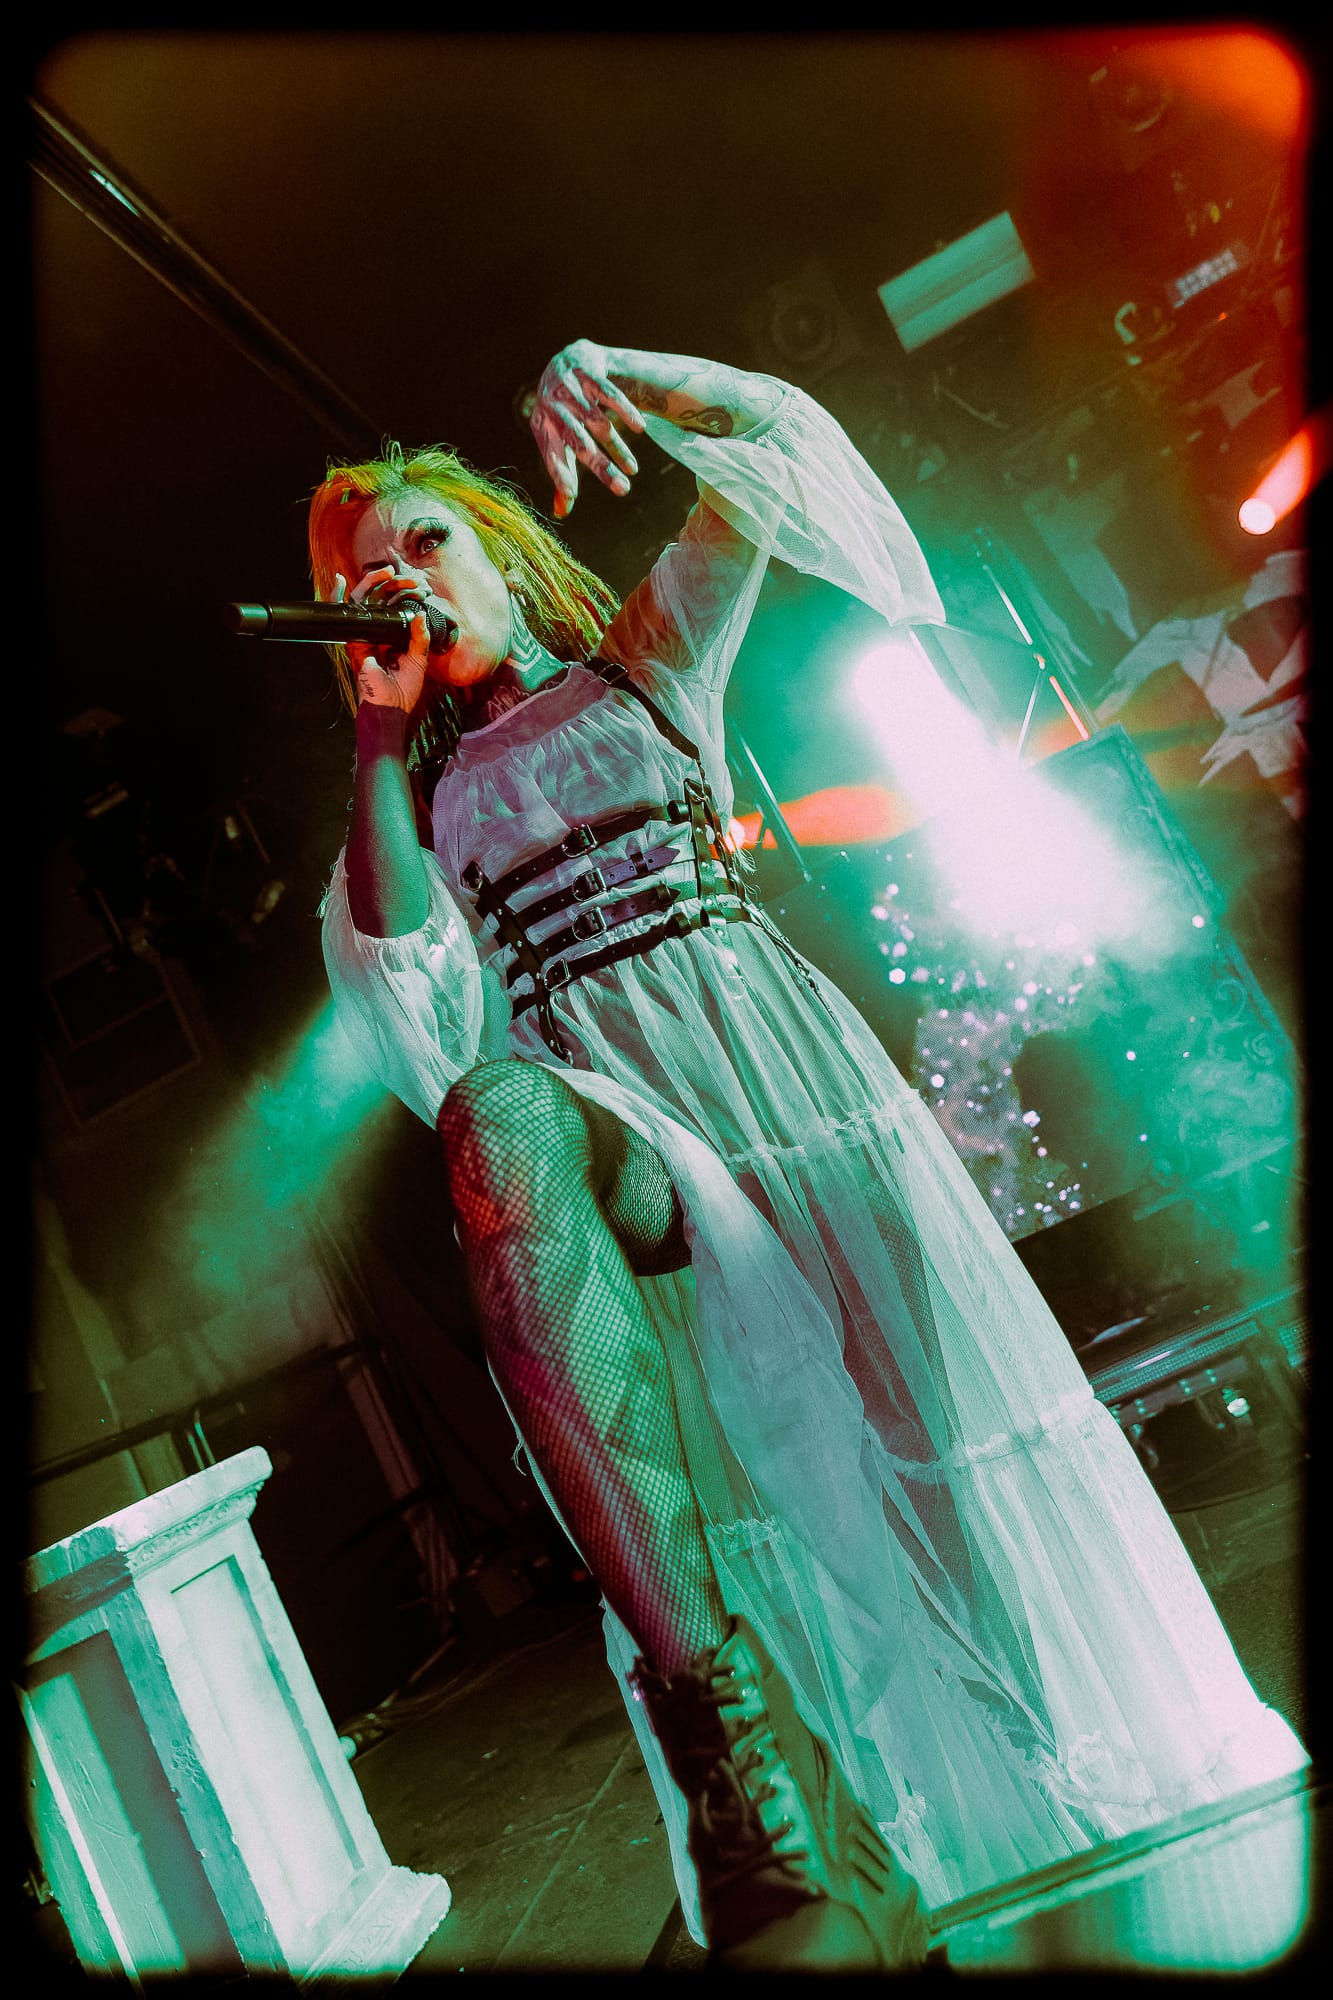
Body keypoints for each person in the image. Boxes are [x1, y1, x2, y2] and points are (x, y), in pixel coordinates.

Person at [313, 340, 1306, 1971]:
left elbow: (776, 447)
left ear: (497, 552)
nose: (402, 580)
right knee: (496, 1118)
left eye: (426, 542)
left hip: (789, 1088)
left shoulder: (641, 671)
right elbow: (401, 985)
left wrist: (620, 372)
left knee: (932, 1460)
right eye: (369, 577)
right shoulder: (412, 801)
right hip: (630, 1131)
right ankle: (721, 1746)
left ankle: (1026, 1820)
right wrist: (373, 745)